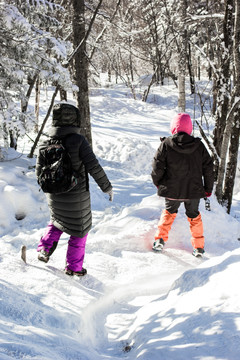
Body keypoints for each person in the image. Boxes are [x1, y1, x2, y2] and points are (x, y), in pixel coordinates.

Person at [35, 103, 113, 276]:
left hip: (53, 195)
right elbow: (94, 167)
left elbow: (38, 173)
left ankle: (44, 249)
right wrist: (106, 187)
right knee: (79, 230)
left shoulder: (45, 143)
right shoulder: (78, 141)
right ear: (75, 120)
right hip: (76, 196)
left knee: (57, 221)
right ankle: (74, 267)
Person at [151, 113, 214, 257]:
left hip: (172, 190)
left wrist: (159, 184)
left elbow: (157, 167)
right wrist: (208, 189)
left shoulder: (166, 144)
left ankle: (160, 239)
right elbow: (208, 168)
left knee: (168, 213)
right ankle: (198, 247)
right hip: (193, 191)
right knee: (194, 216)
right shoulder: (199, 145)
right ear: (189, 128)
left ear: (173, 127)